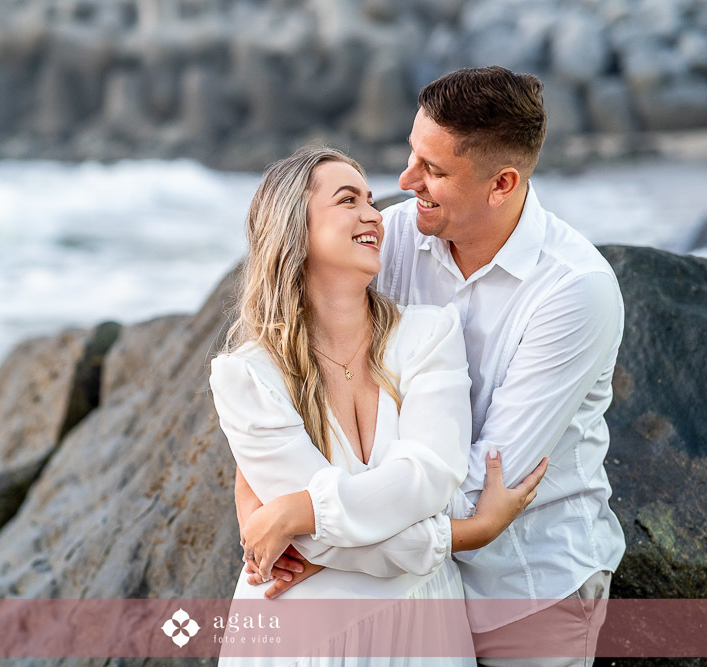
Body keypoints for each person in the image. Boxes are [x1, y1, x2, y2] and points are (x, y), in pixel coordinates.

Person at [234, 67, 626, 666]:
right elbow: (286, 378)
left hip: (522, 586)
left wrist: (319, 540)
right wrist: (259, 513)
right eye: (412, 153)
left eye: (433, 170)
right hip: (401, 588)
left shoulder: (573, 292)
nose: (404, 180)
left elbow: (481, 487)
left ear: (501, 184)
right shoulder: (389, 238)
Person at [209, 145, 547, 667]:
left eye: (370, 199)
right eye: (349, 200)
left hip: (423, 628)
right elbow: (314, 547)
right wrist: (465, 534)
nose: (374, 214)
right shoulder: (247, 375)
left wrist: (304, 511)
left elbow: (429, 478)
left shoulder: (429, 335)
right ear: (295, 227)